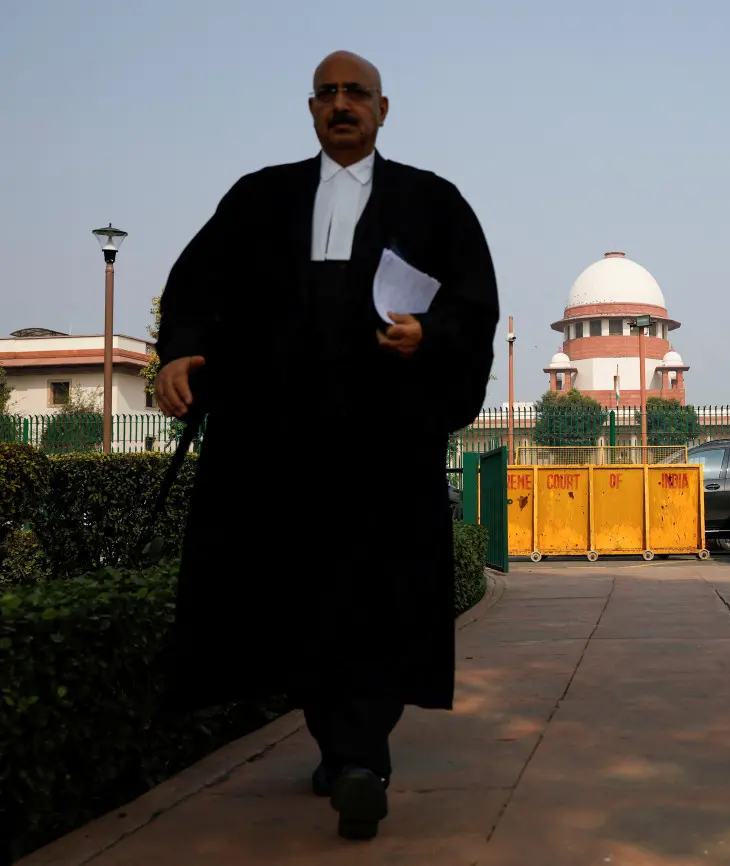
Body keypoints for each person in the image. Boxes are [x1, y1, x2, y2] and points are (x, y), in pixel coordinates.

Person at [154, 50, 499, 841]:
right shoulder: (260, 199)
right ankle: (347, 751)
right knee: (299, 602)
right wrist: (178, 350)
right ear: (311, 109)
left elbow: (473, 304)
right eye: (329, 93)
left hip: (385, 450)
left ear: (385, 109)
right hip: (279, 451)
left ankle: (358, 756)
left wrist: (430, 333)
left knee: (376, 600)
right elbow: (196, 284)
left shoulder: (432, 203)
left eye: (358, 94)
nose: (343, 105)